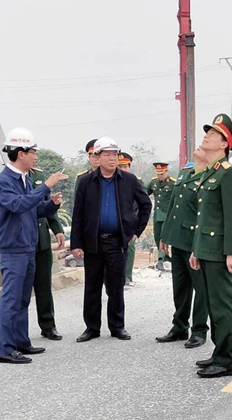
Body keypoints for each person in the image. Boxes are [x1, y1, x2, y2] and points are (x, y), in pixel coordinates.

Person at [0, 127, 67, 364]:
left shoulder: (24, 179)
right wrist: (46, 186)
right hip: (13, 248)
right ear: (20, 153)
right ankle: (6, 349)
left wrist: (51, 204)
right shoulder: (3, 181)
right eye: (33, 152)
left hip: (27, 246)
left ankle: (21, 341)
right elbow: (18, 205)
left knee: (23, 298)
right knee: (11, 299)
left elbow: (33, 210)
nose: (35, 156)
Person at [71, 137, 152, 343]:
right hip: (93, 242)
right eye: (107, 154)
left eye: (115, 154)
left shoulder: (129, 180)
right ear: (97, 157)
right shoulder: (86, 182)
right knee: (92, 287)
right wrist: (76, 243)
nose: (112, 159)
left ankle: (117, 327)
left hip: (117, 242)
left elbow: (145, 205)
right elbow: (78, 213)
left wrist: (136, 230)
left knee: (116, 287)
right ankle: (92, 328)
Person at [189, 113, 232, 379]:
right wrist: (196, 250)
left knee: (222, 306)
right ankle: (218, 352)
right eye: (207, 132)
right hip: (207, 250)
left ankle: (226, 360)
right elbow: (204, 216)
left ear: (224, 144)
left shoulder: (228, 174)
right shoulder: (212, 172)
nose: (207, 136)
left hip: (221, 252)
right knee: (213, 305)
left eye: (213, 134)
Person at [156, 147, 209, 349]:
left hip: (195, 241)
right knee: (180, 287)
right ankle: (179, 327)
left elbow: (207, 214)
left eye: (204, 147)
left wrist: (200, 245)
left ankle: (199, 330)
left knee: (200, 288)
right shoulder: (185, 173)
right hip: (178, 240)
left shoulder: (210, 176)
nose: (199, 148)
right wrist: (165, 235)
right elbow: (173, 206)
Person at [29, 163, 66, 341]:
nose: (35, 157)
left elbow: (45, 205)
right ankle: (16, 331)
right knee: (20, 291)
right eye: (31, 152)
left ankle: (48, 325)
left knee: (44, 287)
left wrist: (57, 229)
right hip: (22, 242)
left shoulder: (39, 175)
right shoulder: (6, 179)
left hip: (42, 241)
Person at [117, 151, 144, 286]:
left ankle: (127, 276)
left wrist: (136, 224)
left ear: (129, 166)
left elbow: (143, 204)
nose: (123, 169)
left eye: (125, 166)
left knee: (129, 247)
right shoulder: (110, 180)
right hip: (115, 221)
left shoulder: (136, 181)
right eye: (120, 166)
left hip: (130, 220)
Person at [146, 162, 176, 271]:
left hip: (167, 215)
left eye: (161, 173)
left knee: (163, 236)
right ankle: (165, 256)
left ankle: (160, 260)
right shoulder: (153, 182)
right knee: (157, 236)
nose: (159, 176)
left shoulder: (173, 184)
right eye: (158, 174)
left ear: (166, 171)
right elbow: (144, 193)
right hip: (157, 215)